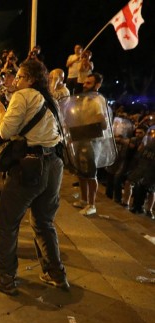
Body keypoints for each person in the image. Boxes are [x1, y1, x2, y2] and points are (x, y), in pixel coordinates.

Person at [0, 60, 68, 295]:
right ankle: (56, 273)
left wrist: (1, 115)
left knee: (6, 222)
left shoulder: (23, 96)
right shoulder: (50, 99)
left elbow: (5, 131)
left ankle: (6, 278)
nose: (15, 81)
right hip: (54, 164)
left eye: (20, 77)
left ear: (30, 80)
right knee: (44, 222)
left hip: (31, 166)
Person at [71, 73, 110, 216]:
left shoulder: (98, 100)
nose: (84, 85)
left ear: (97, 85)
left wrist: (100, 122)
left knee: (91, 173)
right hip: (81, 137)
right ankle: (83, 199)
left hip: (93, 139)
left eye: (89, 83)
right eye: (85, 82)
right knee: (81, 171)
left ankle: (92, 204)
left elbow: (103, 121)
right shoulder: (85, 99)